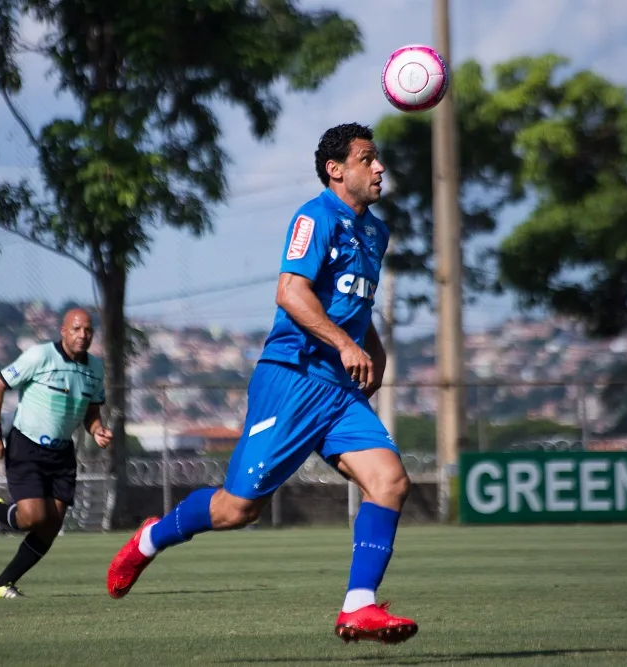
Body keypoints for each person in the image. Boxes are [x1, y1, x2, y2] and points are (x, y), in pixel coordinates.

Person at [106, 123, 417, 644]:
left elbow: (356, 305)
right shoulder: (314, 217)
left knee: (390, 482)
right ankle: (150, 539)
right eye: (367, 159)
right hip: (291, 379)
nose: (379, 167)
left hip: (338, 392)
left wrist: (372, 350)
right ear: (336, 170)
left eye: (377, 158)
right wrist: (345, 344)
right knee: (238, 509)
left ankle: (357, 607)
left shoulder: (375, 234)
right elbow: (291, 294)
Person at [0, 308, 113, 599]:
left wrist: (97, 428)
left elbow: (92, 410)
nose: (82, 335)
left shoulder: (95, 368)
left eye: (87, 330)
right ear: (63, 331)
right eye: (76, 329)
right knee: (33, 517)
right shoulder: (40, 356)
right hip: (27, 446)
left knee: (51, 525)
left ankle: (0, 586)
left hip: (61, 453)